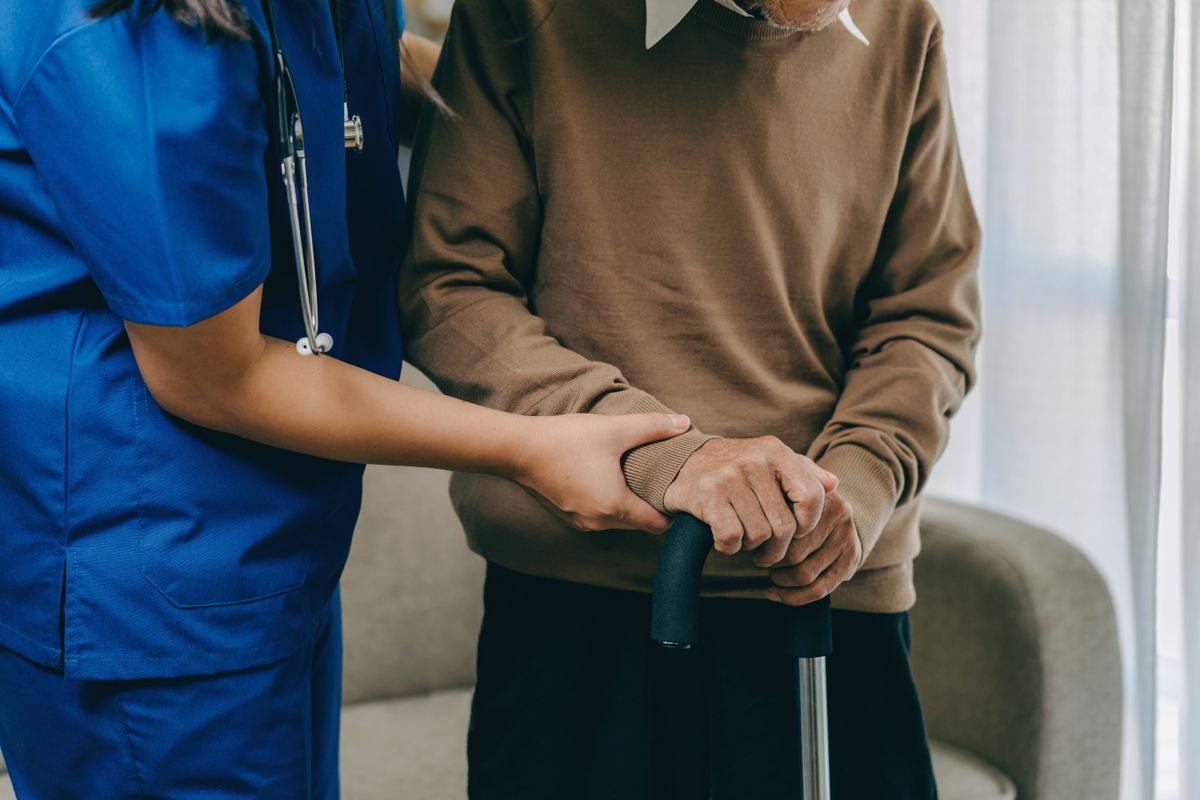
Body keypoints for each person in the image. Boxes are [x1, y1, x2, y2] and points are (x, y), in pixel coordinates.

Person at [0, 1, 706, 797]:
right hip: (149, 576)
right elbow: (209, 373)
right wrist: (529, 447)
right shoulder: (138, 38)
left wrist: (549, 101)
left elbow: (352, 67)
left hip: (272, 544)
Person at [399, 0, 982, 797]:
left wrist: (861, 481)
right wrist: (665, 457)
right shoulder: (525, 16)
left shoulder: (907, 27)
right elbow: (451, 288)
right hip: (582, 602)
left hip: (832, 600)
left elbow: (925, 315)